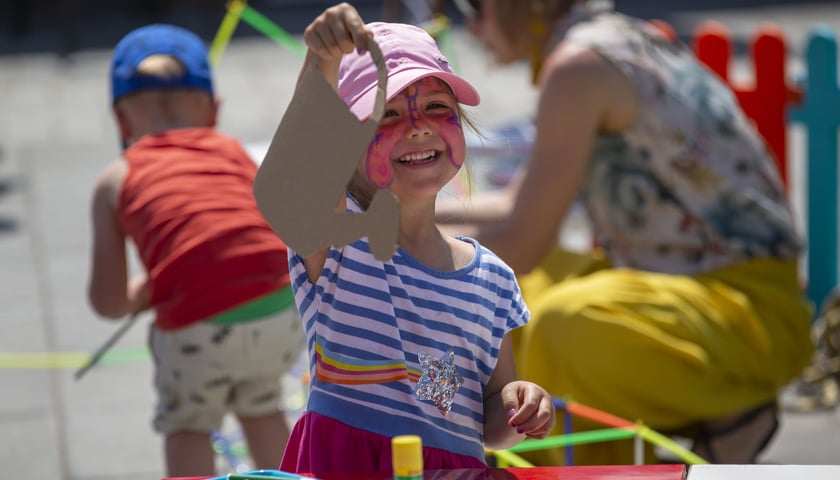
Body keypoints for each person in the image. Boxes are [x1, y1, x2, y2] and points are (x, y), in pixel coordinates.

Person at [437, 0, 814, 466]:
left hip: (747, 316)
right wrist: (406, 219)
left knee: (558, 321)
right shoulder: (603, 44)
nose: (468, 24)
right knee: (520, 294)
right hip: (705, 296)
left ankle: (689, 426)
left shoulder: (579, 68)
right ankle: (714, 422)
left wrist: (412, 253)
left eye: (471, 6)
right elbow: (518, 208)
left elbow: (521, 242)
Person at [256, 3, 556, 475]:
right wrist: (320, 64)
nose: (417, 126)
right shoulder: (338, 241)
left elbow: (489, 424)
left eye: (437, 107)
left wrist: (522, 404)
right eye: (386, 115)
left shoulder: (493, 280)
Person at [86, 24, 304, 477]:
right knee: (262, 406)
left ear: (121, 121)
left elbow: (108, 304)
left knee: (188, 425)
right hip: (282, 311)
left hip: (196, 328)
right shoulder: (236, 152)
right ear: (215, 111)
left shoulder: (115, 179)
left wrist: (143, 291)